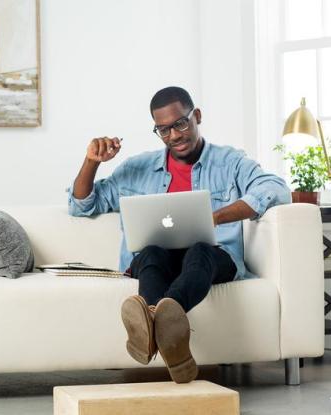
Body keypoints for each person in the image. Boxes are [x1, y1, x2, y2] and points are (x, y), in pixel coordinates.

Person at [67, 86, 290, 383]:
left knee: (200, 248)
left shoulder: (229, 162)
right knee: (150, 252)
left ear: (196, 116)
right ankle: (171, 335)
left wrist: (216, 217)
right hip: (159, 261)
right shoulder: (138, 168)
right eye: (163, 130)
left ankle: (151, 319)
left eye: (180, 124)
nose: (174, 135)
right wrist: (92, 161)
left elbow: (276, 189)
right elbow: (82, 205)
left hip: (213, 257)